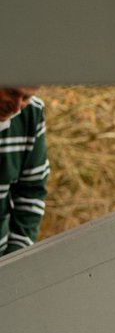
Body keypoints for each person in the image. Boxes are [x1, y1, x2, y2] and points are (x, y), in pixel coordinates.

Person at [0, 87, 48, 256]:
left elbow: (31, 194)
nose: (16, 107)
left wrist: (15, 258)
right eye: (11, 93)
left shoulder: (32, 113)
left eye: (26, 97)